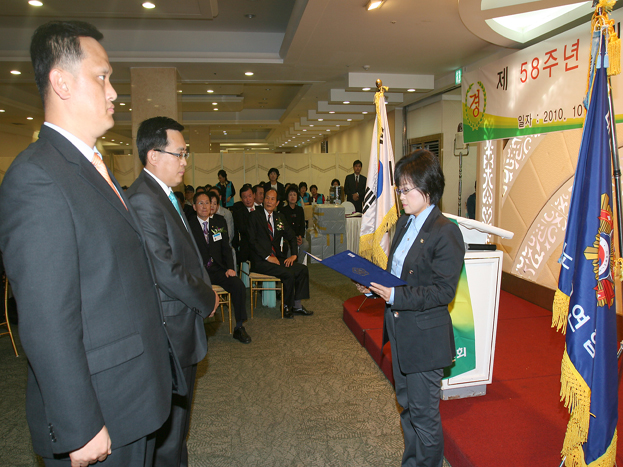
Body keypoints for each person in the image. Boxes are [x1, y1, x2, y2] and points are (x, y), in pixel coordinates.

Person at [0, 20, 180, 466]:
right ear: (60, 82)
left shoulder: (90, 167)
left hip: (129, 394)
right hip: (100, 411)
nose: (114, 91)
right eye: (102, 77)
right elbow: (45, 318)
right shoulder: (38, 176)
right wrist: (79, 425)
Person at [126, 116, 219, 467]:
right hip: (168, 329)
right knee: (167, 432)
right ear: (152, 155)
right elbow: (166, 269)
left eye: (185, 154)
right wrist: (207, 297)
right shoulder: (144, 199)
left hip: (180, 322)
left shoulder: (166, 196)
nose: (185, 162)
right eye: (178, 154)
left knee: (178, 427)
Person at [363, 149, 464, 467]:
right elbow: (399, 276)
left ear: (428, 189)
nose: (401, 196)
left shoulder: (445, 232)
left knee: (425, 418)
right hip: (401, 332)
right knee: (407, 408)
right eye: (399, 189)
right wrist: (372, 285)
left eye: (407, 189)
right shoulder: (406, 223)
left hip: (424, 340)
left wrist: (394, 296)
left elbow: (443, 291)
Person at [188, 191, 251, 344]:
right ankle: (196, 331)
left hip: (218, 269)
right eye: (200, 203)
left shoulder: (219, 222)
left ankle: (239, 327)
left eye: (207, 203)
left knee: (238, 285)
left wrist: (230, 267)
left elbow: (226, 248)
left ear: (212, 205)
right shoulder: (188, 224)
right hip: (199, 271)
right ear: (194, 206)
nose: (204, 206)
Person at [248, 188, 312, 319]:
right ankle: (286, 306)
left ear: (277, 203)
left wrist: (294, 254)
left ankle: (297, 305)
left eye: (272, 199)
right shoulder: (254, 216)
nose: (269, 201)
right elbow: (252, 241)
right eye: (267, 198)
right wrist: (267, 257)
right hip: (261, 260)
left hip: (277, 259)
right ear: (263, 200)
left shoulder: (279, 218)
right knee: (288, 273)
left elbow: (292, 236)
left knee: (302, 269)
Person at [280, 186, 310, 264]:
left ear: (297, 197)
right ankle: (290, 265)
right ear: (287, 197)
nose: (292, 197)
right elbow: (283, 228)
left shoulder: (300, 210)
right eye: (290, 195)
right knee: (289, 247)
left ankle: (298, 264)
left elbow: (303, 225)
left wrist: (300, 236)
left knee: (306, 244)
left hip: (298, 236)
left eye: (294, 195)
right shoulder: (283, 210)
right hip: (287, 238)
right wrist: (293, 238)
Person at [232, 184, 256, 264]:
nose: (248, 199)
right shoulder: (238, 214)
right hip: (247, 248)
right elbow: (242, 229)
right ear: (241, 199)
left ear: (254, 195)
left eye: (250, 196)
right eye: (245, 197)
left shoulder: (262, 211)